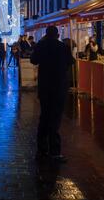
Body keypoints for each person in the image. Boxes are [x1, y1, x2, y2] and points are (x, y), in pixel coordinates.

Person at [31, 26, 74, 164]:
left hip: (44, 87)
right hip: (58, 87)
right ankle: (54, 151)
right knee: (55, 119)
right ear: (57, 34)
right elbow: (71, 62)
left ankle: (42, 148)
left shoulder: (41, 45)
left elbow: (33, 60)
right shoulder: (63, 47)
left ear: (45, 34)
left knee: (44, 116)